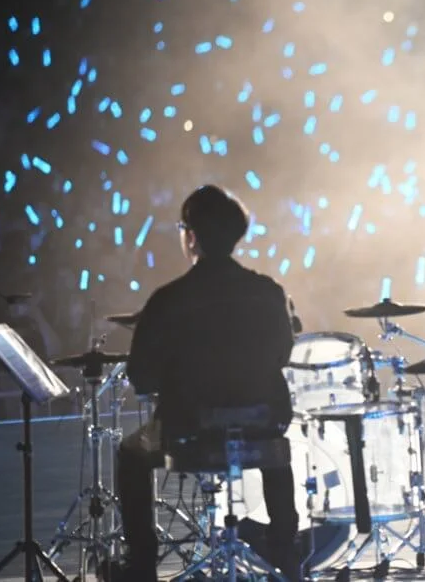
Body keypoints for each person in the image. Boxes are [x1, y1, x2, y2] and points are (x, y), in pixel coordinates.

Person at [106, 185, 301, 581]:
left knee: (131, 452)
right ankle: (287, 554)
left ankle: (141, 565)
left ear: (191, 236)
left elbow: (140, 376)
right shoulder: (269, 292)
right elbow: (282, 355)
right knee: (276, 451)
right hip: (262, 423)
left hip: (188, 431)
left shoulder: (168, 299)